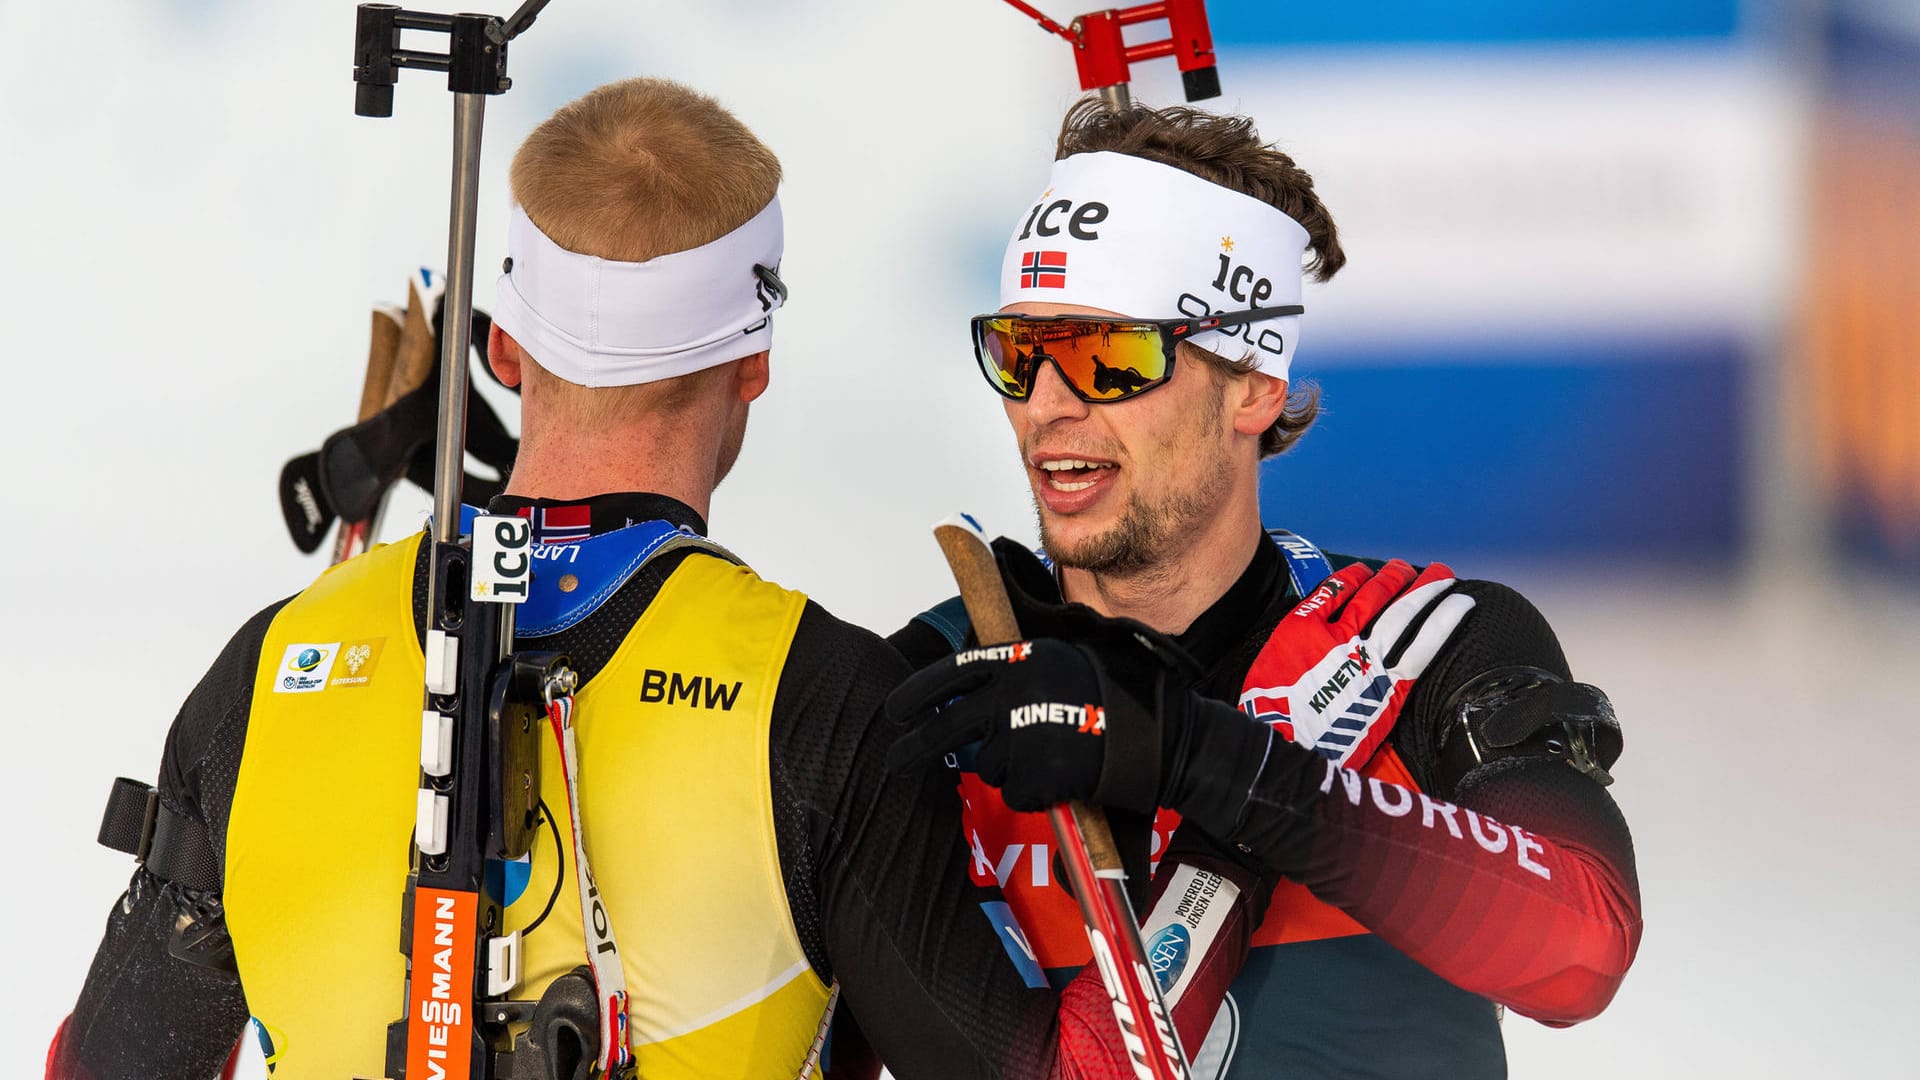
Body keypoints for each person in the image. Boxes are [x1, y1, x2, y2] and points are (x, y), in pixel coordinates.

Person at [48, 80, 1269, 1080]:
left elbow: (101, 1066)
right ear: (753, 363)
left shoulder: (266, 674)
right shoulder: (823, 698)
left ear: (504, 349)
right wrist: (1230, 791)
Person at [885, 100, 1644, 1078]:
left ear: (1254, 385)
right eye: (1018, 352)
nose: (1048, 406)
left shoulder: (1421, 647)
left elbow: (1580, 952)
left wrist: (1199, 758)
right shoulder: (943, 687)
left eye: (1109, 357)